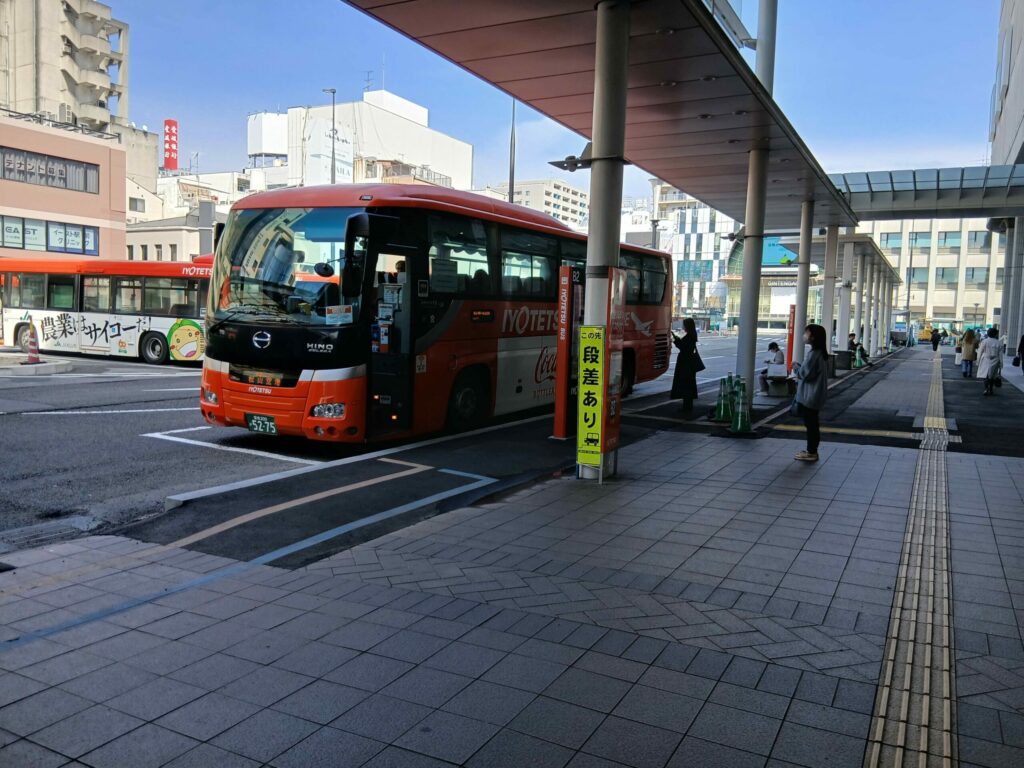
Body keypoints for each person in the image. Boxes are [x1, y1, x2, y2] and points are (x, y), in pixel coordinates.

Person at [792, 324, 828, 462]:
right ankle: (811, 450)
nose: (804, 335)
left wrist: (796, 367)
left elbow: (805, 374)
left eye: (807, 333)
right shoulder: (821, 353)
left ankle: (812, 452)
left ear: (813, 336)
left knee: (811, 425)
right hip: (816, 394)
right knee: (813, 423)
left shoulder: (814, 354)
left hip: (810, 395)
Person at [670, 317, 703, 416]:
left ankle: (687, 408)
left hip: (685, 363)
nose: (683, 326)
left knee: (685, 385)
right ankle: (687, 406)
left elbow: (683, 347)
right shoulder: (692, 335)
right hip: (689, 364)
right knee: (689, 385)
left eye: (684, 324)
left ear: (687, 326)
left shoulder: (689, 336)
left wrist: (675, 339)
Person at [977, 327, 1002, 396]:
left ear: (988, 334)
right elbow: (1000, 355)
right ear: (995, 334)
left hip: (985, 359)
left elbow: (980, 351)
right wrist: (1001, 364)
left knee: (985, 375)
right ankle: (991, 389)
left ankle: (986, 389)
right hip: (995, 360)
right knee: (992, 376)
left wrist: (978, 360)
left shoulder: (984, 341)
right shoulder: (999, 342)